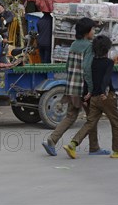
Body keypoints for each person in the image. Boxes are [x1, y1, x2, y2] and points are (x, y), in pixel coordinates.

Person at [42, 17, 108, 157]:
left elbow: (67, 66)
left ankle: (52, 140)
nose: (94, 31)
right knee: (92, 116)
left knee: (71, 116)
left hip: (71, 85)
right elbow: (87, 69)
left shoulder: (73, 45)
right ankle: (92, 147)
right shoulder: (89, 46)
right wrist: (91, 89)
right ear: (87, 32)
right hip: (82, 88)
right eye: (93, 29)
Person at [62, 35, 118, 159]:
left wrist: (86, 93)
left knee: (90, 123)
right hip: (106, 98)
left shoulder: (92, 63)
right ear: (108, 49)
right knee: (116, 123)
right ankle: (117, 151)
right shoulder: (109, 63)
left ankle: (73, 144)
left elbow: (87, 78)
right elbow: (106, 78)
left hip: (93, 98)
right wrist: (104, 91)